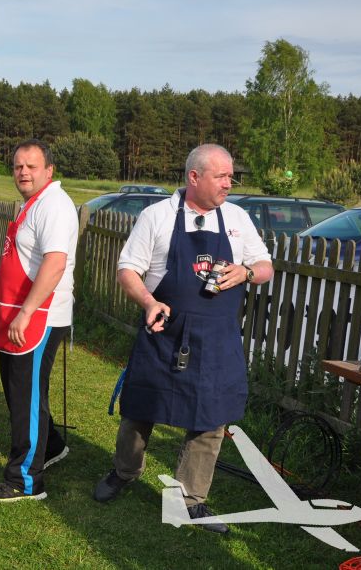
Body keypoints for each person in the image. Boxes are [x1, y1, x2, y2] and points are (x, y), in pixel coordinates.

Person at [93, 144, 274, 533]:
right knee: (140, 407)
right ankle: (124, 471)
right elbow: (128, 269)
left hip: (217, 337)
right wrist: (148, 302)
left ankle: (190, 499)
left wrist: (246, 272)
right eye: (221, 176)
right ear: (194, 177)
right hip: (165, 331)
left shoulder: (237, 218)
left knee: (212, 417)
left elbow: (265, 266)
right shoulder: (157, 216)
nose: (229, 183)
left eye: (231, 177)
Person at [0, 139, 78, 502]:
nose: (23, 172)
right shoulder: (32, 203)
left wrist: (25, 313)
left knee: (27, 397)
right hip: (18, 313)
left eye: (31, 166)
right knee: (18, 391)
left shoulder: (54, 206)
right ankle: (51, 446)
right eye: (18, 166)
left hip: (38, 315)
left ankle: (25, 481)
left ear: (49, 171)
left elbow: (54, 264)